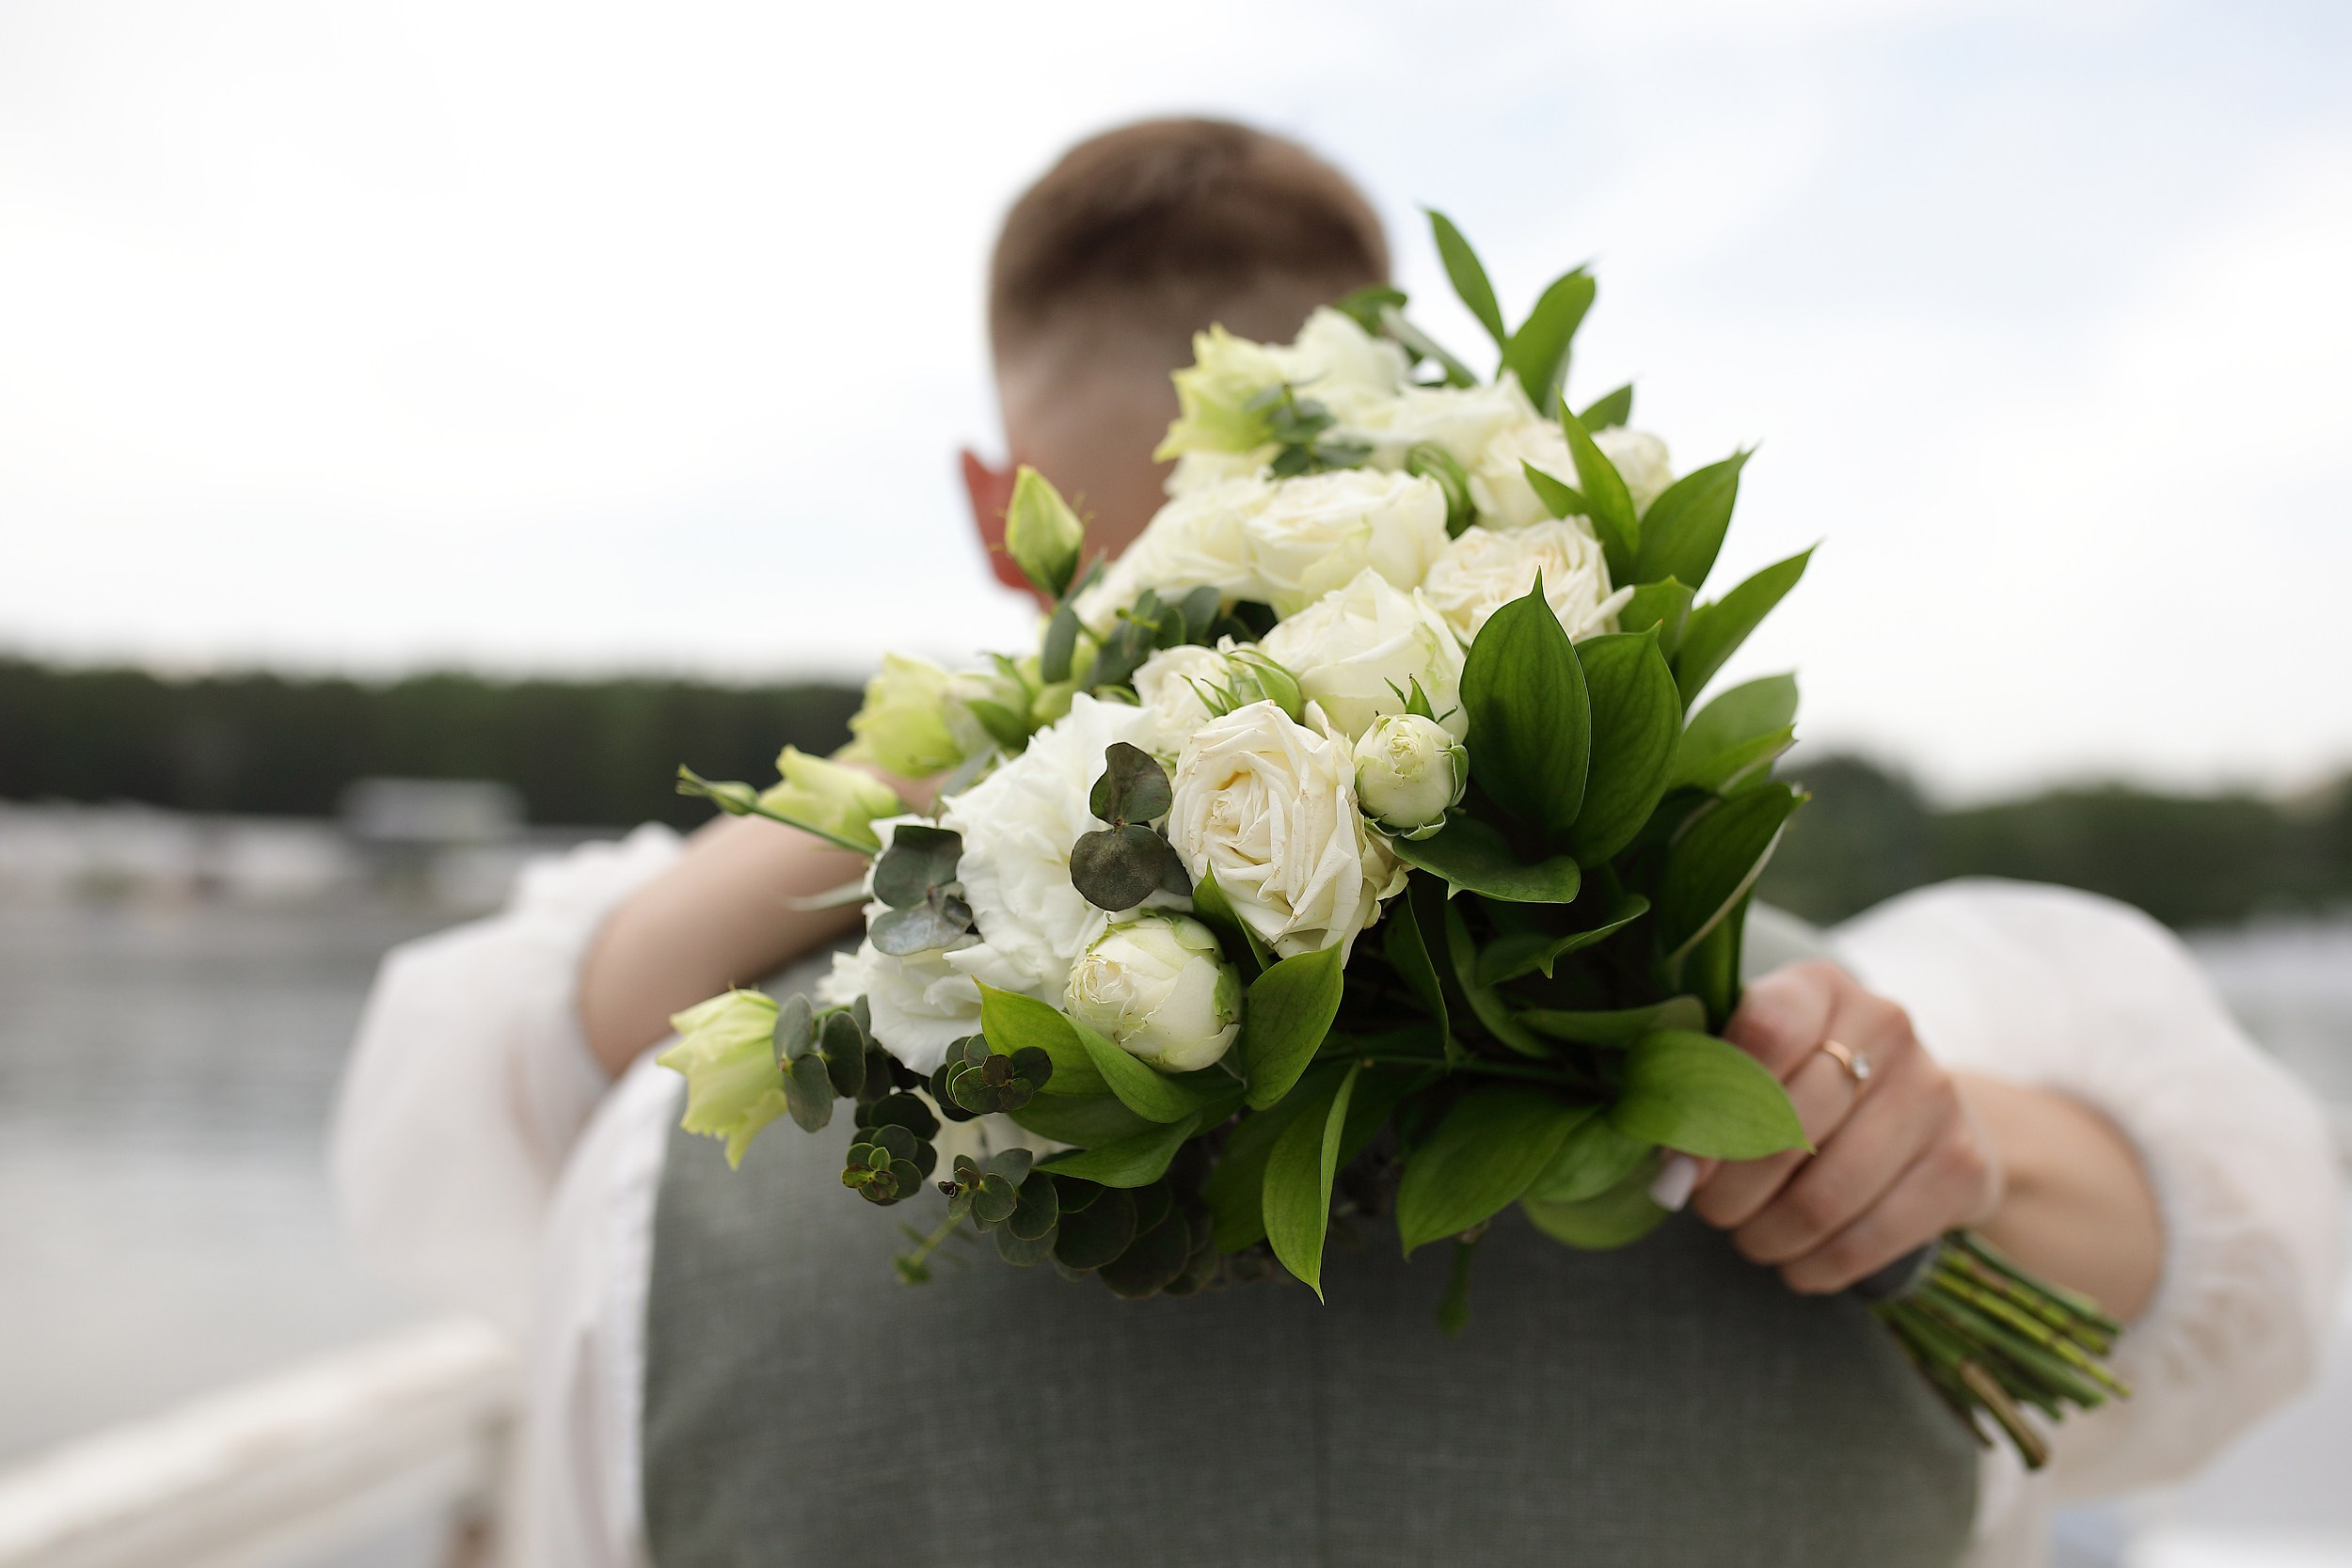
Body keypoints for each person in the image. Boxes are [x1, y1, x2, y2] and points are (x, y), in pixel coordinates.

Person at [332, 119, 2340, 1568]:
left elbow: (499, 1080)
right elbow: (2223, 1279)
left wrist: (943, 759)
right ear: (1427, 427)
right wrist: (1943, 1152)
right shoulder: (1830, 1048)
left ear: (992, 502)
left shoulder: (664, 1181)